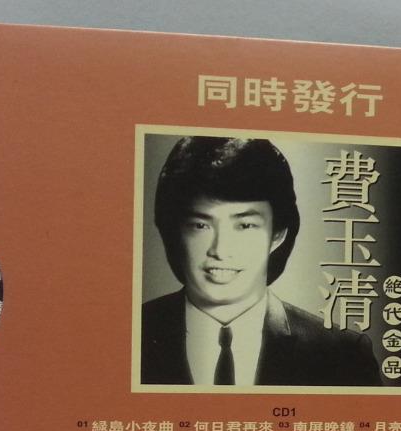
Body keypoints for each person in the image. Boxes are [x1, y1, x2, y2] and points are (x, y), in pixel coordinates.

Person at [141, 137, 381, 386]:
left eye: (245, 225)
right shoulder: (130, 331)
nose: (220, 250)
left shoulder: (343, 354)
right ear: (174, 230)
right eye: (200, 225)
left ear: (278, 234)